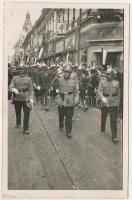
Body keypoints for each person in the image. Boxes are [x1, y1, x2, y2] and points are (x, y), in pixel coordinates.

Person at [51, 66, 79, 138]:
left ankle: (68, 131)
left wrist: (77, 98)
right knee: (61, 114)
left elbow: (76, 91)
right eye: (65, 72)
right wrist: (56, 77)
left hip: (69, 98)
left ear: (70, 74)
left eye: (68, 73)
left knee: (69, 116)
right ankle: (61, 124)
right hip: (61, 98)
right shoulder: (60, 79)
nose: (66, 74)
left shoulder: (73, 81)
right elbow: (52, 84)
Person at [9, 64, 33, 134]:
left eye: (22, 69)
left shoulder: (29, 78)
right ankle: (18, 122)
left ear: (24, 70)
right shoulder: (14, 78)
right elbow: (10, 86)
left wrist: (31, 98)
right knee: (18, 112)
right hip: (17, 98)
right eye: (19, 69)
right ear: (18, 70)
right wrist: (13, 89)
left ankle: (26, 128)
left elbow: (31, 89)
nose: (20, 70)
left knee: (27, 114)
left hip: (26, 98)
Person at [98, 68, 120, 144]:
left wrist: (118, 104)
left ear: (112, 75)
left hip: (114, 102)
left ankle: (114, 136)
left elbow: (118, 94)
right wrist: (102, 97)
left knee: (113, 120)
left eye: (110, 74)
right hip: (105, 102)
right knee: (103, 117)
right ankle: (102, 129)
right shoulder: (102, 82)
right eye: (107, 74)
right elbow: (99, 91)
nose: (108, 75)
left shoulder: (117, 83)